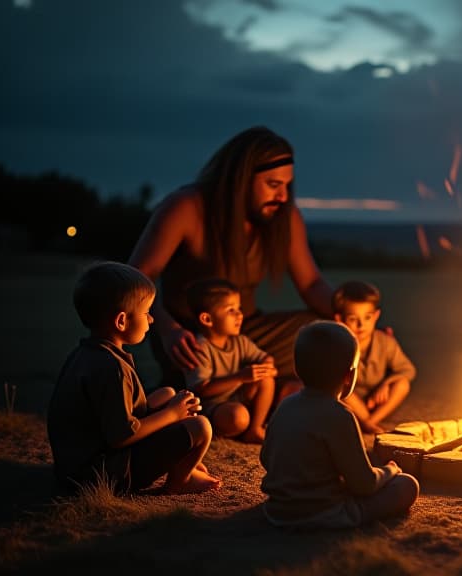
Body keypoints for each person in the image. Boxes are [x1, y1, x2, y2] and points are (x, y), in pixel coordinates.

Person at [128, 125, 334, 401]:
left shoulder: (285, 218)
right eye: (273, 185)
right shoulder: (187, 208)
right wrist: (168, 329)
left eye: (287, 186)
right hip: (191, 340)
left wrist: (354, 317)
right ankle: (201, 393)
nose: (283, 197)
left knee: (329, 334)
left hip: (248, 335)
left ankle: (276, 392)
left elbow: (311, 284)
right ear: (242, 179)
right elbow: (136, 278)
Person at [47, 261, 221, 495]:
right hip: (104, 475)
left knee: (167, 394)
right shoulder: (111, 368)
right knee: (200, 426)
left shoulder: (87, 354)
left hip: (81, 465)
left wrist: (170, 411)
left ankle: (182, 458)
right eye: (146, 312)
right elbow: (122, 435)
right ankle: (181, 478)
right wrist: (172, 415)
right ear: (121, 321)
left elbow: (111, 414)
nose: (151, 320)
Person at [259, 320, 420, 529]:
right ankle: (354, 515)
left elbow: (265, 458)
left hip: (278, 510)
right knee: (407, 485)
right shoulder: (340, 416)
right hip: (324, 514)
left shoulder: (285, 405)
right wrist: (389, 470)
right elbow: (365, 485)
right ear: (349, 376)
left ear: (297, 370)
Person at [182, 277, 277, 444]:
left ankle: (255, 428)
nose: (240, 314)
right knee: (238, 417)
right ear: (207, 319)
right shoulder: (200, 348)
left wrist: (267, 367)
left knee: (266, 380)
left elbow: (265, 357)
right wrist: (240, 377)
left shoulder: (240, 341)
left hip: (237, 398)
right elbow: (202, 390)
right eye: (231, 310)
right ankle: (225, 428)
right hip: (213, 406)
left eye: (239, 308)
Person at [332, 280, 415, 434]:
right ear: (339, 319)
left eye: (367, 317)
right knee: (337, 385)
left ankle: (370, 422)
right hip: (350, 404)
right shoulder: (339, 345)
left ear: (376, 315)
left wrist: (387, 384)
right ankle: (365, 422)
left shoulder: (385, 342)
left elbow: (408, 370)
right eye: (352, 319)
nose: (361, 325)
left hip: (376, 404)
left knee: (402, 384)